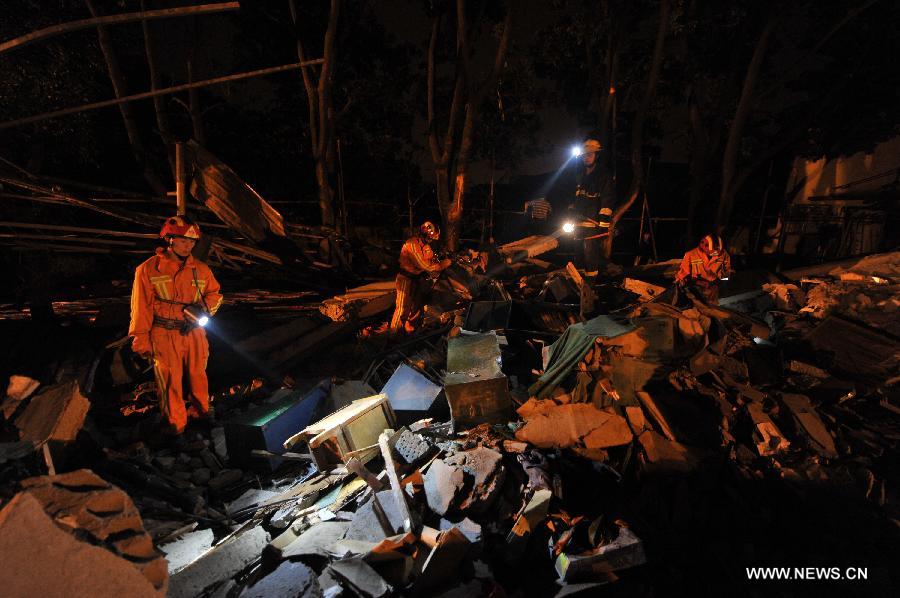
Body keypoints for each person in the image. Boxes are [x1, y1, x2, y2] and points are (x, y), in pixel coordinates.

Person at [129, 216, 223, 435]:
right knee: (170, 381)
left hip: (194, 332)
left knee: (198, 374)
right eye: (183, 240)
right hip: (163, 332)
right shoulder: (148, 269)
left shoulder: (200, 269)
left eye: (192, 241)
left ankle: (201, 414)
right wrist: (140, 337)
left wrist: (203, 310)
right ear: (169, 239)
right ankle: (176, 427)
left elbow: (216, 294)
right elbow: (140, 306)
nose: (188, 245)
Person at [390, 221, 452, 334]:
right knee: (402, 308)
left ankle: (410, 328)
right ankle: (394, 334)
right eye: (430, 238)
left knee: (417, 305)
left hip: (418, 278)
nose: (431, 240)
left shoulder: (426, 246)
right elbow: (425, 265)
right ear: (423, 234)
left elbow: (431, 259)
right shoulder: (412, 244)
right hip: (405, 278)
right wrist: (444, 264)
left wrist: (442, 259)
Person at [570, 138, 615, 277]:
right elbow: (575, 199)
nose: (586, 158)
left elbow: (607, 200)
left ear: (597, 155)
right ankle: (578, 287)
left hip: (593, 224)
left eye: (589, 154)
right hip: (578, 223)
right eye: (584, 155)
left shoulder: (604, 176)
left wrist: (604, 223)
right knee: (578, 256)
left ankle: (591, 287)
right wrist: (571, 212)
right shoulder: (580, 176)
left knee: (590, 257)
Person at [675, 233, 732, 304]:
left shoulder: (723, 254)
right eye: (712, 249)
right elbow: (681, 277)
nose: (715, 253)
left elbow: (726, 275)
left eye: (717, 249)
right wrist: (697, 282)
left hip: (715, 289)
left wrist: (716, 284)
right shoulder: (690, 255)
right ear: (702, 244)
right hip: (695, 288)